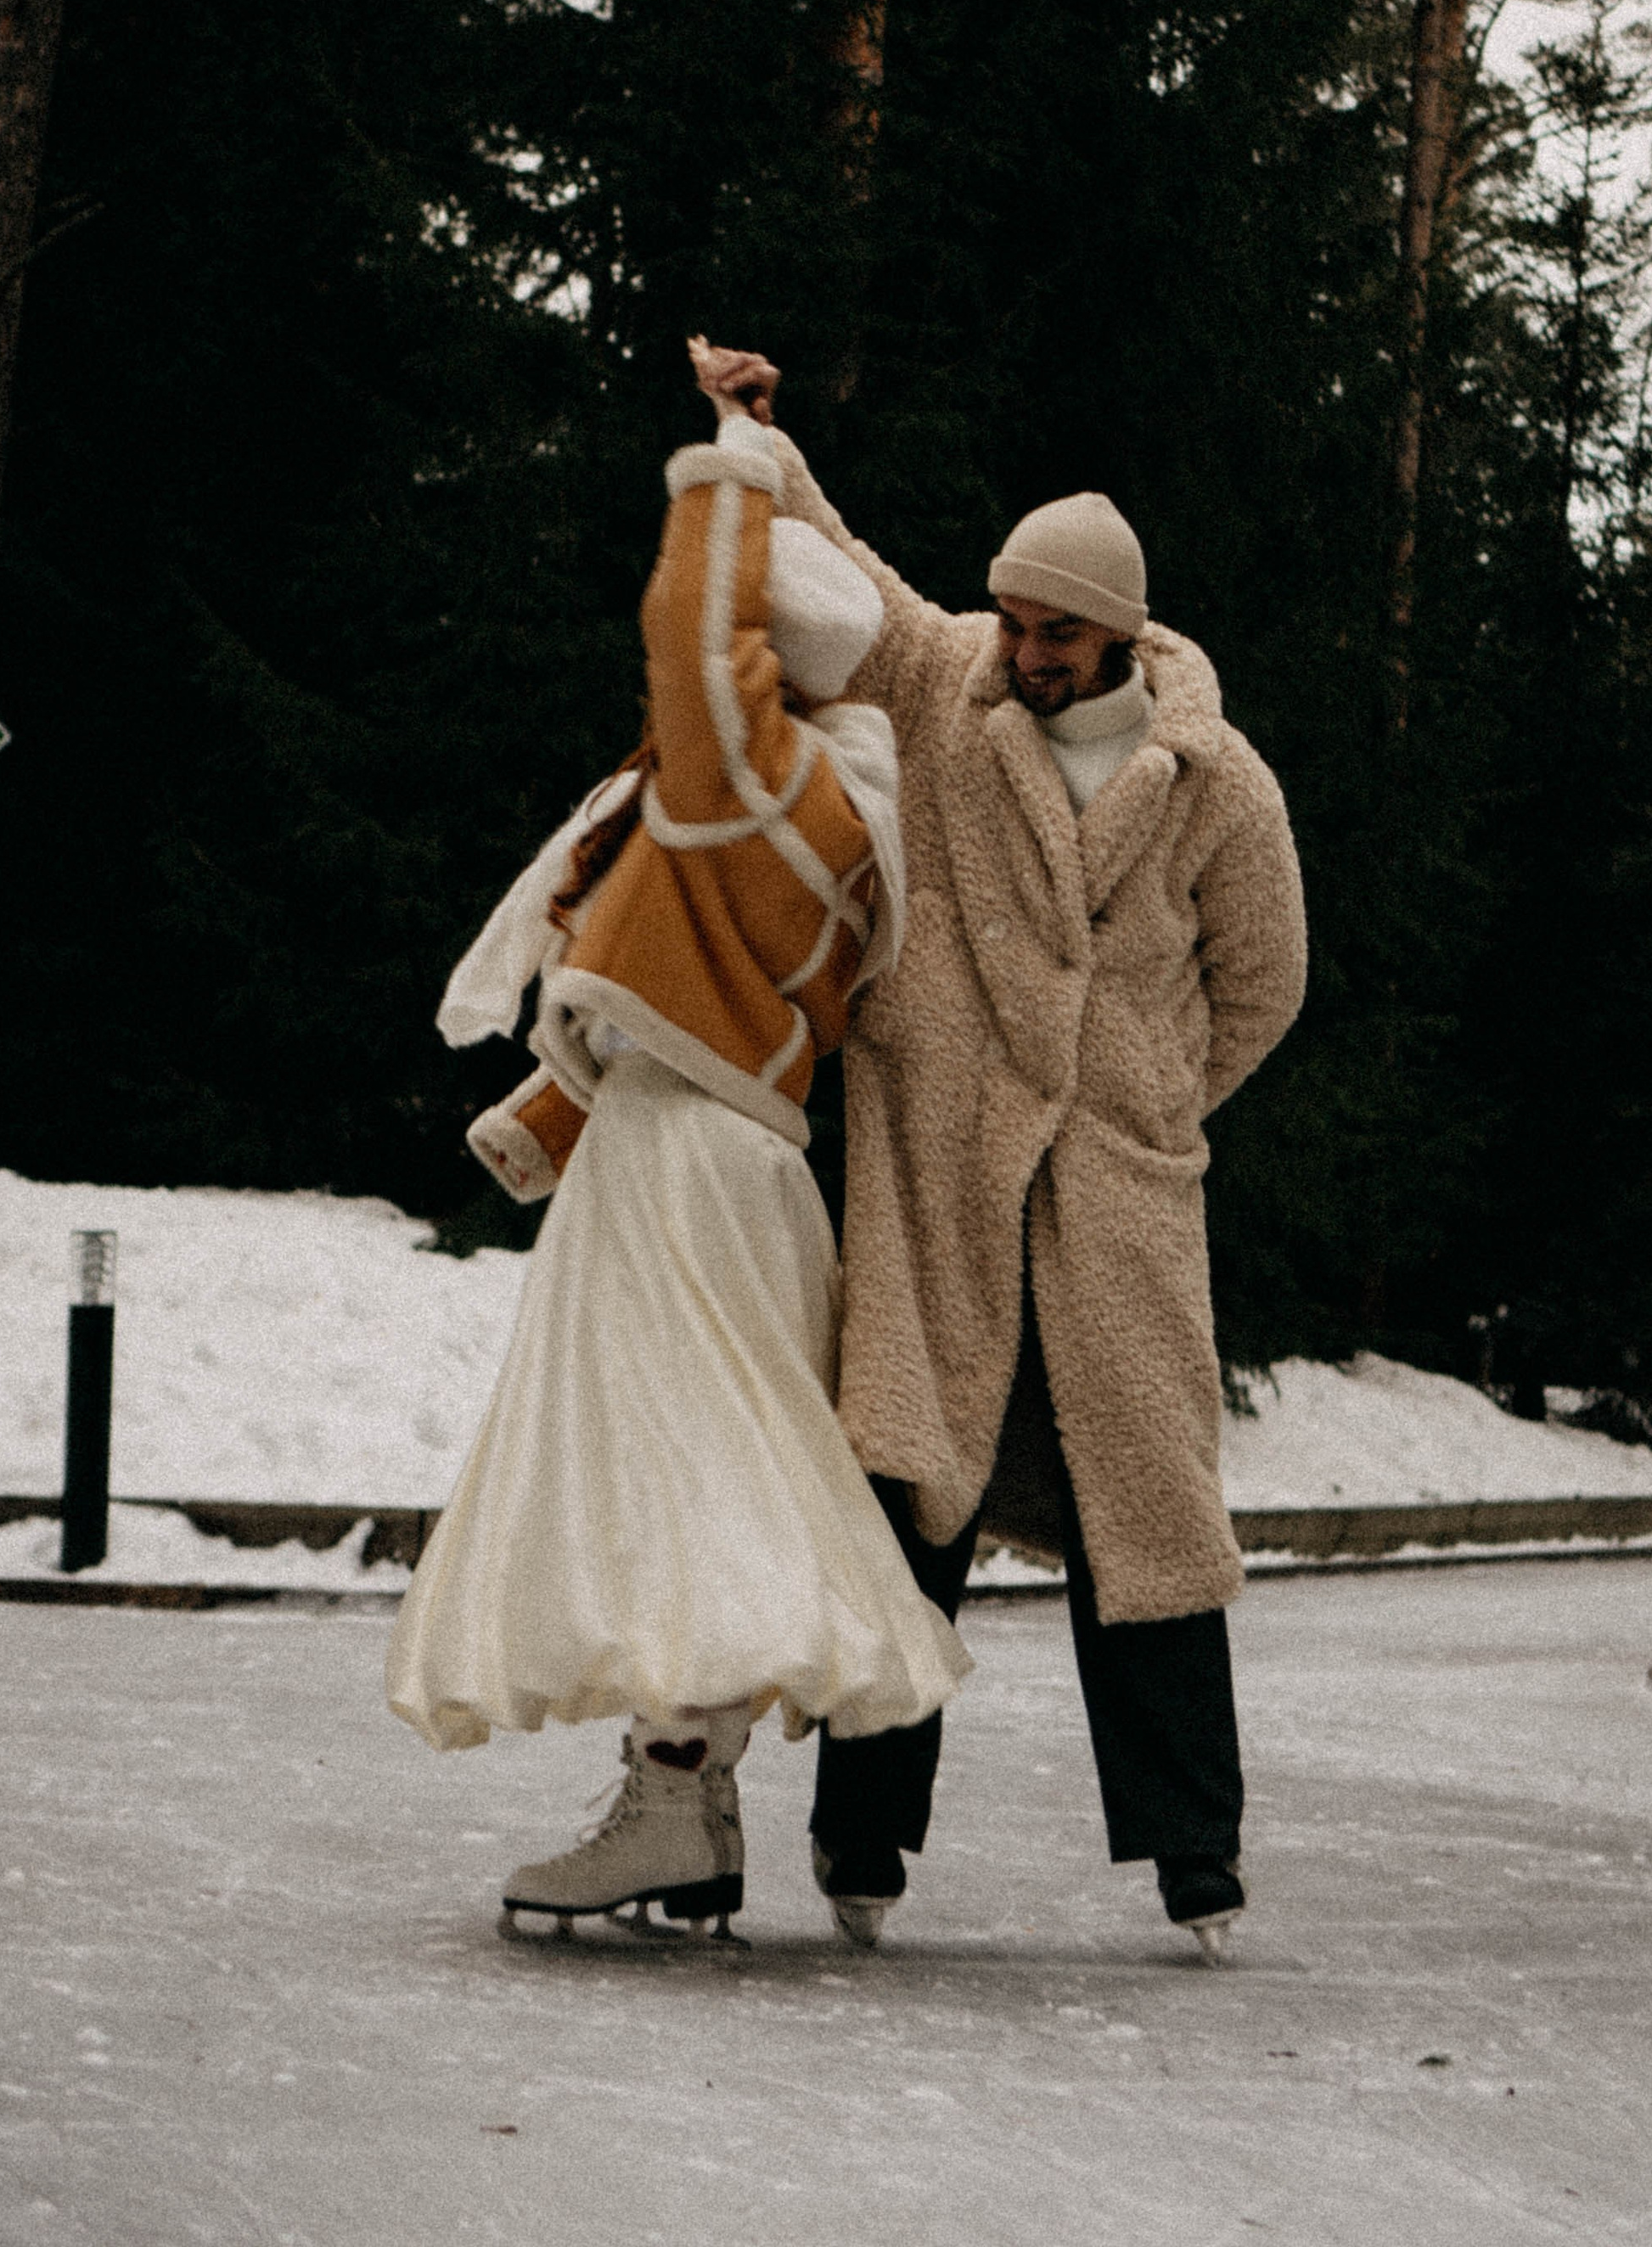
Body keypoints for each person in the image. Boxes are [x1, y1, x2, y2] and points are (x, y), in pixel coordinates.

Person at [688, 339, 1308, 1963]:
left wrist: (1147, 1100)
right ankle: (861, 1842)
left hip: (1117, 1201)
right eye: (1016, 622)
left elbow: (1266, 985)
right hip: (942, 1176)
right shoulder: (950, 687)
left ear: (1122, 636)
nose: (1026, 653)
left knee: (1147, 1523)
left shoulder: (1219, 784)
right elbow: (853, 572)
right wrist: (763, 439)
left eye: (1056, 633)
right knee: (911, 1501)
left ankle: (1198, 1860)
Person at [384, 384, 969, 1936]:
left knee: (678, 1482)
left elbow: (687, 636)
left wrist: (733, 459)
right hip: (723, 1164)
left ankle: (668, 1809)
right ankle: (685, 1809)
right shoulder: (810, 802)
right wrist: (553, 1115)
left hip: (685, 1179)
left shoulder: (753, 783)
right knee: (696, 1476)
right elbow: (685, 1000)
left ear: (773, 652)